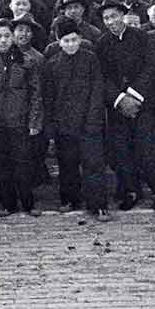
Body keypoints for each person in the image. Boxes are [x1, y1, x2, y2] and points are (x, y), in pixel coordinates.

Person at [96, 0, 155, 213]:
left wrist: (134, 95)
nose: (111, 22)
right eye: (106, 18)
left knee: (148, 149)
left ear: (123, 16)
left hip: (142, 103)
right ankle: (131, 191)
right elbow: (102, 77)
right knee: (123, 151)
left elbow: (151, 68)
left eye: (114, 16)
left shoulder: (142, 37)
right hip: (118, 107)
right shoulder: (102, 43)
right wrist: (119, 99)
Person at [41, 18, 109, 219]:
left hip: (89, 122)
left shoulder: (90, 60)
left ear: (80, 39)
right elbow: (49, 99)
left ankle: (98, 204)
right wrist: (52, 128)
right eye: (66, 41)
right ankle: (70, 199)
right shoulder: (52, 65)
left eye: (74, 40)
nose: (71, 44)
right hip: (65, 125)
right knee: (67, 164)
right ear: (59, 42)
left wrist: (93, 120)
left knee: (94, 164)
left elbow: (97, 90)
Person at [0, 20, 43, 216]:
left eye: (7, 36)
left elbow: (35, 94)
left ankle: (28, 203)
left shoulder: (27, 62)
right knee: (1, 165)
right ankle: (8, 204)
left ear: (13, 37)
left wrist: (34, 121)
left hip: (20, 122)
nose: (3, 40)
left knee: (23, 163)